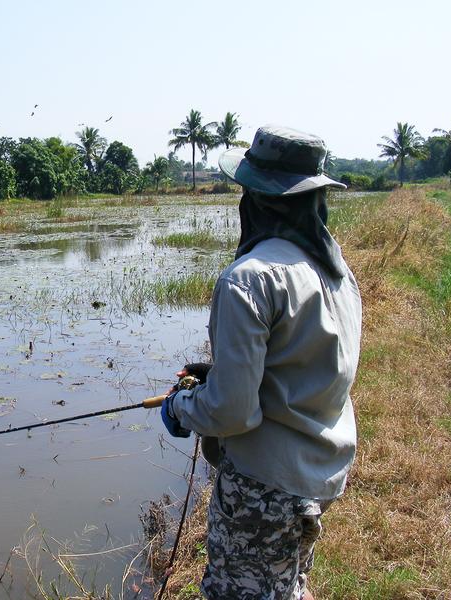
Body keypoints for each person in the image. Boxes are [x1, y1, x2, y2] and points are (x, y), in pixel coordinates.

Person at [160, 125, 362, 600]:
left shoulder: (247, 280)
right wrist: (222, 379)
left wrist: (182, 406)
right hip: (320, 475)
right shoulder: (334, 272)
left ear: (254, 198)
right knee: (290, 584)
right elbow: (308, 368)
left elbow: (233, 413)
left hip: (264, 488)